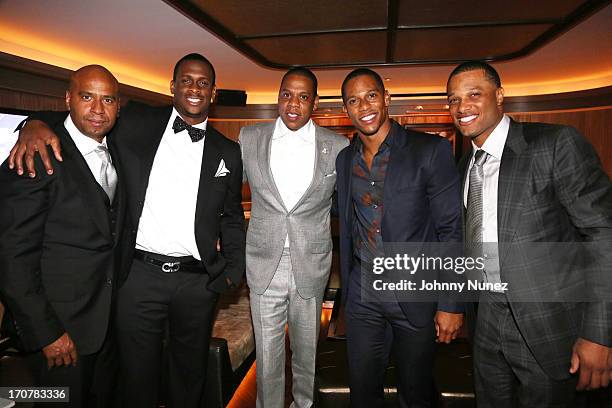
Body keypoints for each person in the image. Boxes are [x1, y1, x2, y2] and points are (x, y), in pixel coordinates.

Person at [8, 53, 246, 408]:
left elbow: (231, 217)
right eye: (186, 80)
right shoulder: (135, 121)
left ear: (212, 93)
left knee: (189, 372)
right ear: (172, 87)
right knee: (135, 375)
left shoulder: (228, 151)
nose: (194, 88)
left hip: (197, 283)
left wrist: (232, 270)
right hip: (137, 277)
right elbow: (85, 118)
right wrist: (34, 123)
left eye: (203, 83)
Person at [447, 60, 612, 407]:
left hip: (547, 325)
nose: (462, 107)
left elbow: (602, 234)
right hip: (485, 319)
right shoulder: (463, 166)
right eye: (453, 100)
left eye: (473, 94)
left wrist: (599, 333)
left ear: (500, 96)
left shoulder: (554, 144)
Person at [335, 68, 464, 407]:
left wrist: (451, 303)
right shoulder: (344, 159)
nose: (364, 105)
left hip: (415, 292)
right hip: (362, 293)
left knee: (416, 391)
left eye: (371, 95)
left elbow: (452, 229)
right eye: (353, 100)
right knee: (363, 391)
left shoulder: (430, 150)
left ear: (386, 99)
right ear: (346, 110)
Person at [0, 65, 125, 407]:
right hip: (59, 332)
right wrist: (47, 334)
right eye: (87, 97)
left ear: (118, 105)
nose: (98, 109)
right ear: (68, 99)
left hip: (107, 326)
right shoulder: (33, 156)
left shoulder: (119, 149)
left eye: (108, 99)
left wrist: (34, 119)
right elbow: (11, 257)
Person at [239, 67, 348, 408]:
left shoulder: (338, 145)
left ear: (314, 102)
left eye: (303, 97)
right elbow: (222, 191)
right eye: (287, 94)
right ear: (278, 96)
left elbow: (348, 203)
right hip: (263, 262)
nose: (293, 104)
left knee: (306, 354)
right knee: (268, 358)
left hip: (311, 264)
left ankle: (304, 405)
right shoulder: (249, 138)